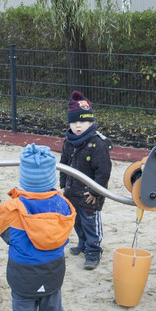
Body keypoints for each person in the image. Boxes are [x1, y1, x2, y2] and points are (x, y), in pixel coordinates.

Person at [0, 144, 77, 311]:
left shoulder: (11, 208)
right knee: (52, 309)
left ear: (24, 178)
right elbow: (63, 238)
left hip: (23, 273)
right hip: (52, 270)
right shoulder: (63, 205)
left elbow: (5, 235)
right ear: (51, 177)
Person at [59, 91, 112, 271]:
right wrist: (63, 183)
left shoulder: (97, 144)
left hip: (90, 194)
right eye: (73, 122)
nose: (77, 125)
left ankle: (93, 250)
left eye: (82, 121)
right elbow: (64, 164)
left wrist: (96, 192)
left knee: (90, 222)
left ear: (90, 122)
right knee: (77, 221)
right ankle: (82, 243)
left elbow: (103, 171)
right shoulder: (68, 142)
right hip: (72, 192)